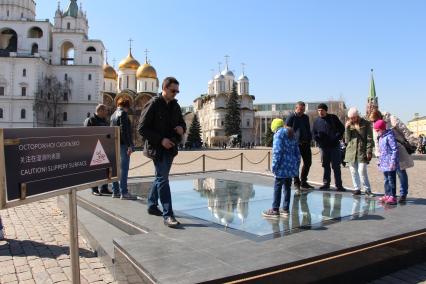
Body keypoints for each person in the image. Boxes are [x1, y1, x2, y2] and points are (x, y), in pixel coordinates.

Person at [138, 77, 186, 228]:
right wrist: (161, 140)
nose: (175, 94)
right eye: (173, 91)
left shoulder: (175, 106)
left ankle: (152, 205)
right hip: (157, 149)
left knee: (160, 177)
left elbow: (182, 123)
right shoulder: (153, 104)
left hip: (171, 148)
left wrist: (182, 128)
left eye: (177, 91)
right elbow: (142, 128)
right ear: (164, 88)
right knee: (163, 179)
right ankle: (168, 215)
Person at [369, 109, 417, 203]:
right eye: (372, 121)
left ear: (379, 117)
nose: (373, 123)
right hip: (385, 154)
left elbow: (404, 130)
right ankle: (390, 194)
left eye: (374, 120)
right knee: (388, 175)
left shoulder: (391, 119)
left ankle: (403, 194)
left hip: (398, 149)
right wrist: (378, 154)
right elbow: (376, 140)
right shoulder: (376, 125)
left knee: (401, 172)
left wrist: (411, 141)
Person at [262, 119, 300, 218]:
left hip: (281, 165)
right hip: (290, 165)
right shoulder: (292, 134)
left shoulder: (278, 135)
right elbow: (297, 152)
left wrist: (274, 166)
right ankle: (285, 209)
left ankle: (275, 209)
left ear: (274, 127)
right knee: (287, 187)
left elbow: (277, 151)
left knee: (277, 187)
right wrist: (296, 165)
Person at [312, 103, 346, 191]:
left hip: (334, 146)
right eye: (319, 110)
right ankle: (326, 184)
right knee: (326, 166)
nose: (320, 112)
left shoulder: (333, 118)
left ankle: (339, 185)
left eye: (322, 110)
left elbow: (341, 129)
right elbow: (314, 133)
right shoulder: (316, 121)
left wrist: (336, 137)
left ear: (326, 110)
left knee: (336, 166)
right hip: (323, 147)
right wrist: (318, 139)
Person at [344, 107, 375, 196]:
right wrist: (346, 128)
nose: (352, 119)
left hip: (362, 151)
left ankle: (367, 190)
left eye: (353, 117)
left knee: (362, 171)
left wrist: (369, 151)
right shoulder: (349, 124)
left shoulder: (366, 123)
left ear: (357, 116)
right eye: (350, 118)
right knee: (353, 171)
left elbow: (369, 139)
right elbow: (347, 140)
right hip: (351, 151)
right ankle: (356, 188)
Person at [110, 98, 137, 200]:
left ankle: (115, 191)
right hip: (123, 144)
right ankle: (124, 192)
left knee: (115, 168)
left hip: (113, 144)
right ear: (127, 106)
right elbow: (124, 131)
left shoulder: (113, 115)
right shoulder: (123, 114)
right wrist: (129, 145)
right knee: (124, 168)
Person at [285, 101, 314, 190]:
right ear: (296, 108)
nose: (302, 111)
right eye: (300, 109)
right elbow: (286, 127)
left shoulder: (305, 117)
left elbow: (308, 129)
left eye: (303, 109)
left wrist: (309, 138)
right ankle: (297, 183)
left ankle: (304, 181)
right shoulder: (291, 117)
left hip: (305, 144)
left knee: (308, 163)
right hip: (295, 145)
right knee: (296, 164)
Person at [84, 104, 111, 196]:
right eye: (106, 110)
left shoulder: (105, 121)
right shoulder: (90, 120)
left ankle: (104, 188)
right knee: (95, 170)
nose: (107, 112)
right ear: (100, 110)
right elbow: (86, 135)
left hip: (105, 147)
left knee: (106, 168)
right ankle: (94, 189)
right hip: (94, 148)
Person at [373, 120, 399, 205]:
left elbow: (394, 149)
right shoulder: (381, 138)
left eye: (377, 130)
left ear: (382, 129)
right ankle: (387, 194)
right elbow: (382, 151)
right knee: (386, 180)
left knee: (391, 179)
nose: (377, 132)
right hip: (384, 163)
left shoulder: (389, 136)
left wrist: (392, 162)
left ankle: (393, 196)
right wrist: (380, 161)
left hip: (390, 163)